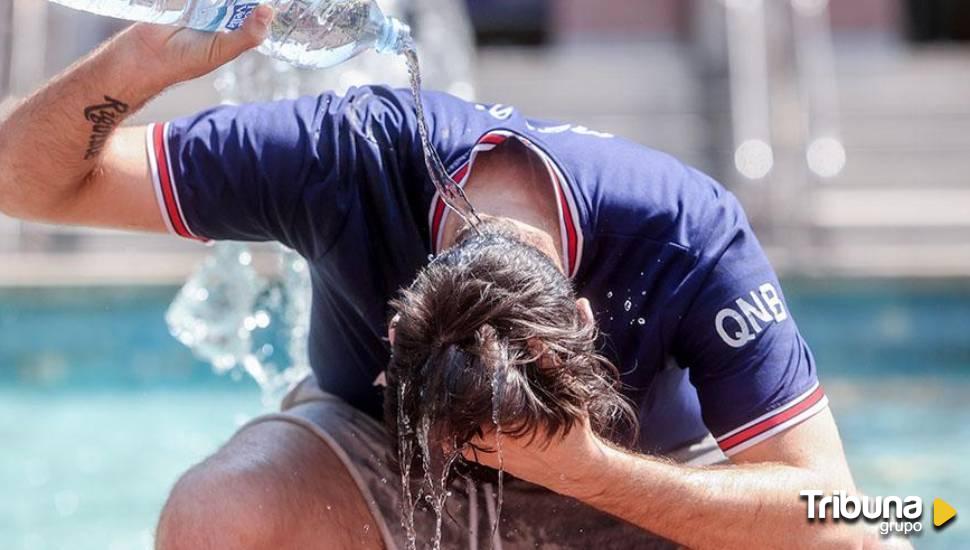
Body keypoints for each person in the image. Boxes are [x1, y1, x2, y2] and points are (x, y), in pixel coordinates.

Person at [0, 8, 882, 549]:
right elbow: (22, 180)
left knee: (889, 531)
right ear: (396, 328)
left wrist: (591, 473)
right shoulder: (336, 158)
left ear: (584, 321)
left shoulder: (688, 233)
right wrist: (138, 61)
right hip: (372, 458)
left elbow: (833, 509)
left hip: (634, 476)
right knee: (217, 513)